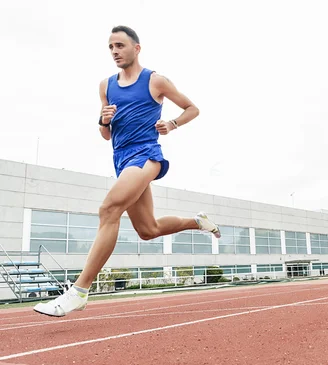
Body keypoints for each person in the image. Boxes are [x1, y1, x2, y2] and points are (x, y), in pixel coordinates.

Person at [34, 25, 221, 317]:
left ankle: (79, 292)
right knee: (148, 230)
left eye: (120, 46)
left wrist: (172, 124)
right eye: (110, 47)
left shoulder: (155, 80)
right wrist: (104, 120)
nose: (114, 52)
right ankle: (196, 222)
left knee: (109, 209)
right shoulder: (105, 86)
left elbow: (192, 108)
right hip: (121, 159)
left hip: (146, 155)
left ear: (136, 48)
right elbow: (106, 136)